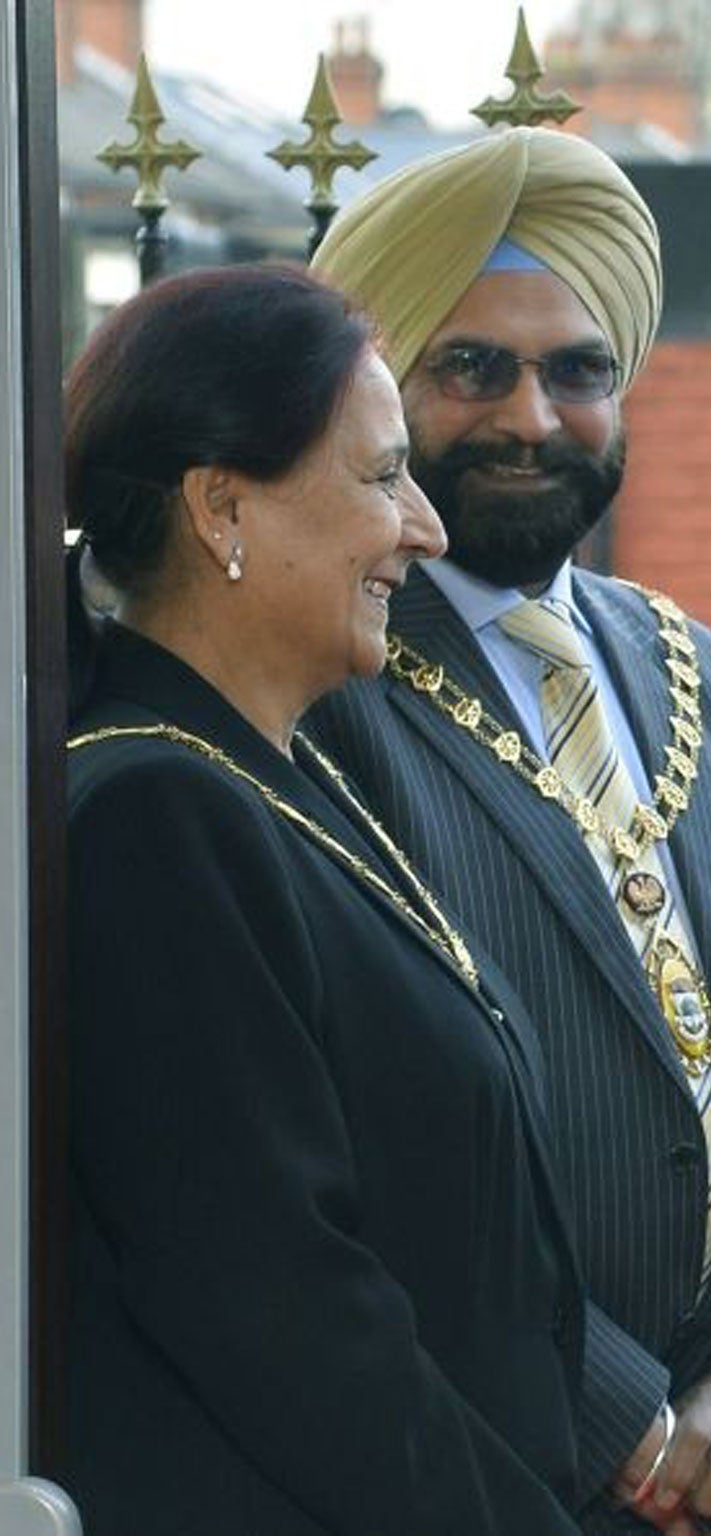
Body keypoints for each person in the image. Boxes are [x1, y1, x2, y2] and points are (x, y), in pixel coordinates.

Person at [305, 129, 711, 1535]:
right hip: (476, 1466)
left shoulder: (688, 661)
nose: (533, 418)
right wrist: (628, 1417)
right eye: (472, 367)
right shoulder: (320, 682)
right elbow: (370, 1134)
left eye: (578, 371)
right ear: (379, 392)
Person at [60, 263, 588, 1533]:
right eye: (380, 475)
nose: (426, 525)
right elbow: (281, 1314)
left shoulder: (281, 774)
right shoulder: (154, 817)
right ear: (222, 507)